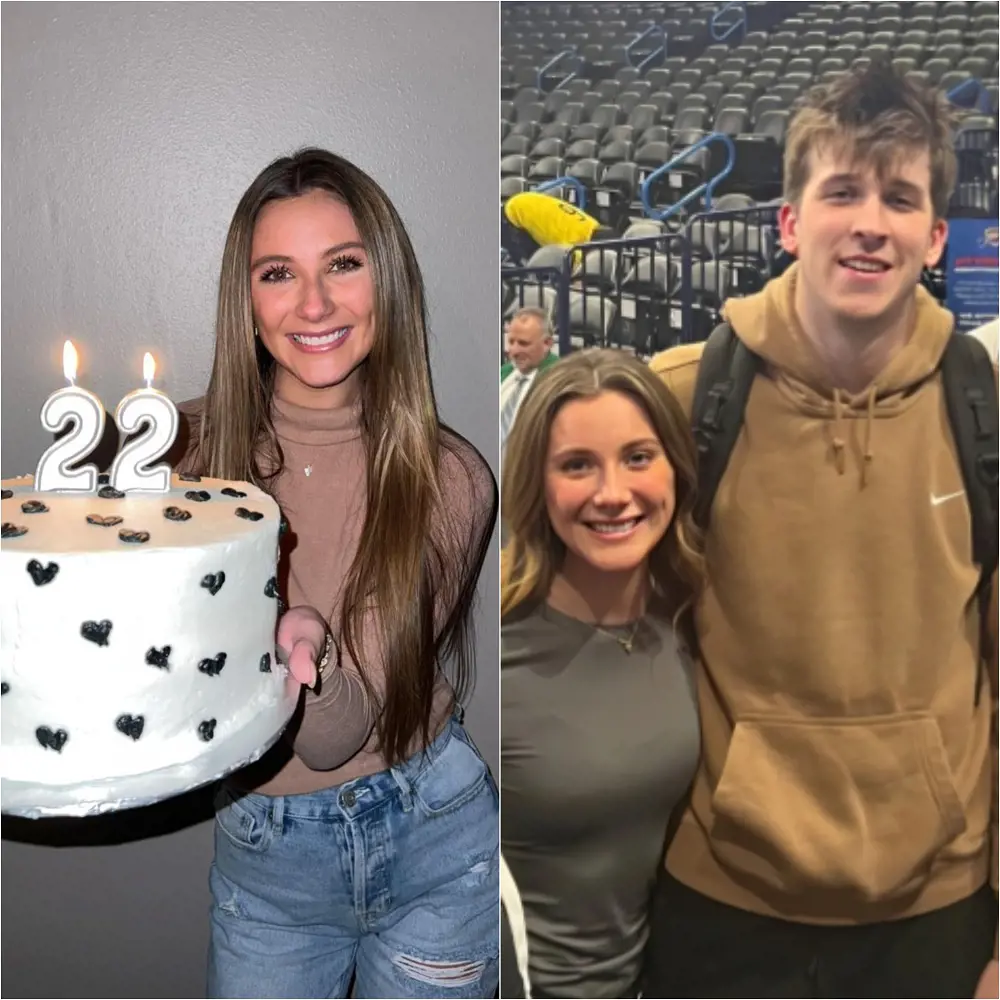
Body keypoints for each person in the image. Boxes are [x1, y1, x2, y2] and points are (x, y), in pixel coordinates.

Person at [645, 62, 999, 998]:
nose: (870, 222)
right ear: (790, 221)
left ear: (935, 236)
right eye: (841, 190)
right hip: (723, 895)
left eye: (900, 196)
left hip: (936, 909)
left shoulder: (986, 411)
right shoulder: (685, 399)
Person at [175, 147, 499, 999]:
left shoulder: (450, 476)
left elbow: (329, 732)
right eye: (279, 273)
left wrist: (296, 635)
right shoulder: (176, 462)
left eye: (343, 265)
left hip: (437, 842)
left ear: (383, 281)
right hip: (267, 864)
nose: (314, 303)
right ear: (245, 301)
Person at [501, 349, 704, 998]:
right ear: (538, 482)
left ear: (675, 467)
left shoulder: (692, 617)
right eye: (577, 465)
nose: (613, 493)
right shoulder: (494, 648)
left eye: (638, 457)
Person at [502, 190, 615, 267]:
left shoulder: (591, 223)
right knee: (529, 266)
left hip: (522, 202)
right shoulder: (572, 241)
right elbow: (573, 266)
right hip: (512, 215)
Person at [501, 307, 558, 457]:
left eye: (523, 343)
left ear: (547, 343)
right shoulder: (504, 373)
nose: (513, 351)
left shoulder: (559, 380)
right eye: (511, 342)